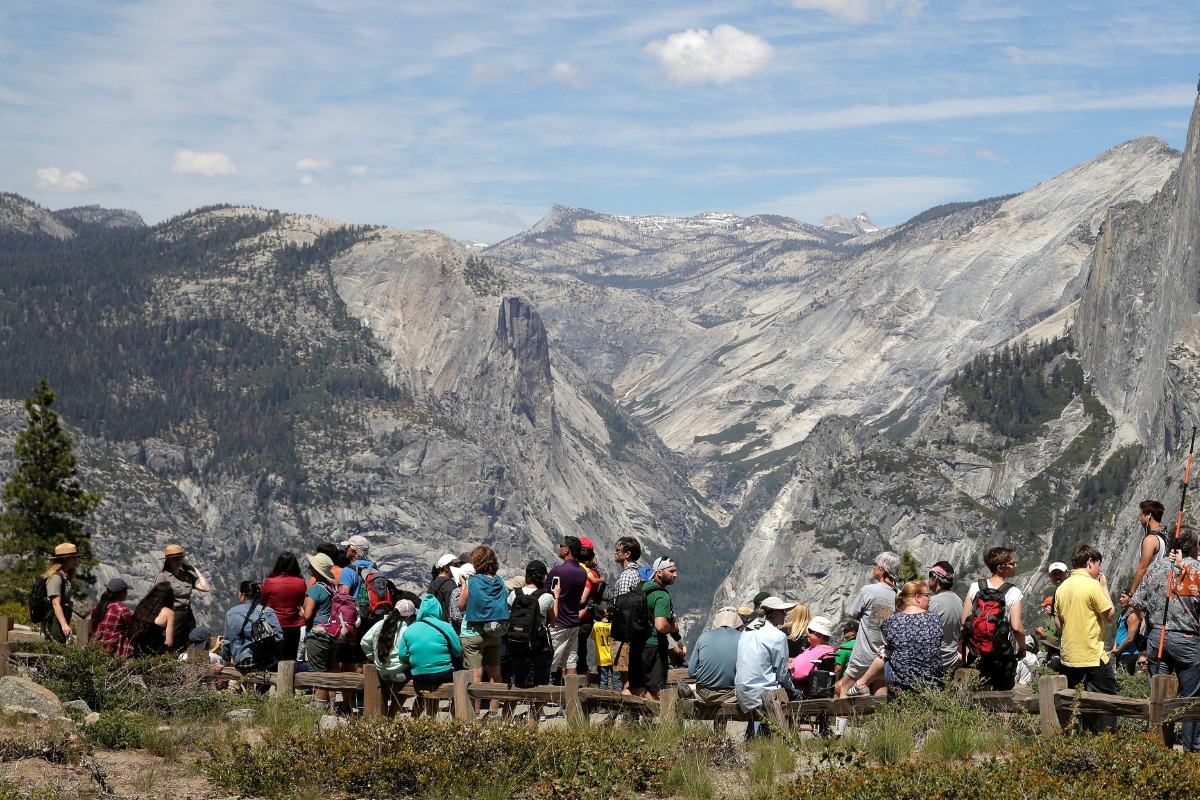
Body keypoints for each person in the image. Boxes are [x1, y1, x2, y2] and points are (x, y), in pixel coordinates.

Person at [1132, 528, 1200, 750]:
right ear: (1192, 546)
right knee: (1192, 697)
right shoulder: (1196, 568)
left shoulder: (1155, 567)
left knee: (1159, 695)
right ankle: (1192, 749)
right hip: (1187, 638)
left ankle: (1159, 748)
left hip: (1157, 637)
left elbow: (1137, 603)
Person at [1055, 543, 1117, 733]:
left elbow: (1059, 622)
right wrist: (1104, 587)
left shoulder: (1062, 588)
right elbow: (1109, 616)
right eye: (1098, 564)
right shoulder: (1092, 585)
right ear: (1090, 562)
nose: (1099, 569)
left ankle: (1076, 737)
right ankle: (1107, 742)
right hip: (1092, 654)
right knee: (1108, 700)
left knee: (1075, 702)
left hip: (1070, 655)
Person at [847, 580, 943, 695]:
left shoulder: (892, 621)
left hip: (903, 684)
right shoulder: (935, 619)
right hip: (933, 683)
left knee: (884, 653)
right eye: (927, 595)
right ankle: (862, 684)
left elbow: (894, 644)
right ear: (917, 597)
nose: (929, 599)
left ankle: (861, 683)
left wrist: (887, 647)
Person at [960, 546, 1026, 691]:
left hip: (976, 654)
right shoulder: (1013, 592)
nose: (1016, 565)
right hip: (1001, 656)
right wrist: (1022, 647)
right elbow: (1016, 627)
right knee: (1003, 700)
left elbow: (965, 622)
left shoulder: (975, 587)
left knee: (977, 696)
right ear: (1000, 568)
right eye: (1012, 563)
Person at [837, 551, 901, 698]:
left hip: (863, 653)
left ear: (883, 569)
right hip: (884, 655)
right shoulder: (900, 594)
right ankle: (878, 721)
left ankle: (841, 722)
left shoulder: (868, 590)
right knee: (880, 691)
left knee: (845, 687)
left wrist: (868, 618)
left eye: (876, 565)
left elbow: (853, 614)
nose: (873, 567)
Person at [735, 596, 802, 734]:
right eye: (782, 611)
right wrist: (792, 687)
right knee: (797, 696)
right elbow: (782, 674)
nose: (785, 614)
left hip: (742, 691)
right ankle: (788, 738)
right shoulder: (777, 636)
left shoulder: (747, 631)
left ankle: (754, 734)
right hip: (763, 693)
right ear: (772, 613)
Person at [458, 545, 509, 715]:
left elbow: (461, 605)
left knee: (475, 675)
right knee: (495, 674)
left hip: (473, 632)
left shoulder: (472, 582)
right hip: (494, 631)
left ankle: (475, 711)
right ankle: (494, 711)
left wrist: (465, 585)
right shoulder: (500, 581)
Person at [398, 594, 464, 719]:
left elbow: (402, 655)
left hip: (419, 675)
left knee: (424, 692)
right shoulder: (445, 626)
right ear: (438, 609)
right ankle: (458, 720)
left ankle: (418, 720)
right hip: (443, 673)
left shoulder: (410, 629)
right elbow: (457, 651)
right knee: (458, 683)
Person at [361, 598, 418, 717]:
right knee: (409, 688)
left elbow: (364, 642)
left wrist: (374, 657)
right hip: (401, 673)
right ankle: (392, 716)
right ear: (410, 616)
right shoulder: (408, 629)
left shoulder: (381, 623)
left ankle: (385, 717)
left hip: (382, 671)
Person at [633, 556, 678, 700]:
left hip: (637, 644)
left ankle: (618, 715)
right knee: (654, 690)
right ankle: (649, 722)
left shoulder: (642, 587)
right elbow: (660, 625)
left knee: (634, 688)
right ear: (659, 572)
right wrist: (672, 627)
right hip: (654, 647)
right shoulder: (661, 595)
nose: (675, 575)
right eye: (671, 571)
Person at [545, 536, 588, 680]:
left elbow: (546, 593)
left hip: (557, 623)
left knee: (549, 661)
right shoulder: (582, 572)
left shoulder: (558, 571)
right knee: (571, 663)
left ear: (567, 549)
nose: (560, 548)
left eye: (561, 545)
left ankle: (543, 698)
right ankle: (571, 699)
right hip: (574, 621)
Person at [302, 552, 339, 711]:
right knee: (330, 672)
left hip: (317, 635)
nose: (309, 567)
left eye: (312, 566)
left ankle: (319, 712)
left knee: (319, 675)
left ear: (316, 570)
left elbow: (308, 615)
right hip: (332, 635)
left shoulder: (315, 589)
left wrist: (301, 612)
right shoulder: (332, 588)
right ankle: (332, 708)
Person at [154, 544, 210, 647]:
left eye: (181, 558)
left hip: (188, 613)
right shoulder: (164, 576)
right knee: (173, 641)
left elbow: (206, 588)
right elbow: (157, 598)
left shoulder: (186, 576)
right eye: (175, 559)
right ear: (168, 560)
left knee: (189, 640)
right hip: (174, 613)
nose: (179, 561)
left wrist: (195, 570)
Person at [222, 580, 284, 672]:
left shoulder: (230, 613)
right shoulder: (267, 612)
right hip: (265, 662)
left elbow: (226, 643)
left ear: (243, 595)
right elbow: (279, 638)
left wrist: (226, 662)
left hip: (241, 664)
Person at [688, 607, 743, 705]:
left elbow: (691, 672)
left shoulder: (703, 637)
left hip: (704, 694)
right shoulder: (743, 638)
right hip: (730, 694)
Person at [610, 536, 643, 695]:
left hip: (624, 635)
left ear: (627, 554)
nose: (615, 552)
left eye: (618, 550)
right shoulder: (640, 573)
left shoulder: (626, 576)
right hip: (636, 632)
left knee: (626, 678)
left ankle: (629, 715)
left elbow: (622, 609)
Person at [261, 551, 307, 663]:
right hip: (293, 625)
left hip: (273, 624)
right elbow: (300, 602)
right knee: (290, 658)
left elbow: (262, 601)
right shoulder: (301, 582)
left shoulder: (270, 582)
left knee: (271, 657)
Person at [926, 561, 962, 675]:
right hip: (953, 661)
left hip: (935, 662)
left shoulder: (933, 603)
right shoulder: (959, 601)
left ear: (935, 579)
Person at [789, 615, 838, 698]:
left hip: (800, 691)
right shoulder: (813, 648)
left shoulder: (822, 652)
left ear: (821, 635)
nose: (807, 633)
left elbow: (798, 673)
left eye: (811, 631)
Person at [41, 543, 79, 643]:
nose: (76, 560)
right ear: (65, 559)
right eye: (73, 557)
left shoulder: (66, 577)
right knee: (56, 649)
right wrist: (64, 624)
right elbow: (55, 603)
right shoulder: (56, 578)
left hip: (61, 618)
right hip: (54, 620)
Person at [1130, 500, 1168, 597]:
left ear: (1149, 515)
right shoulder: (1164, 536)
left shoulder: (1150, 539)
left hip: (1151, 588)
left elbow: (1143, 568)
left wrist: (1132, 592)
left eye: (1141, 515)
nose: (1140, 519)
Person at [90, 577, 134, 657]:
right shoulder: (122, 610)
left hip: (95, 648)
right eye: (126, 591)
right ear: (121, 593)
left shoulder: (96, 607)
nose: (127, 593)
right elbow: (132, 628)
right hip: (114, 650)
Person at [128, 583, 176, 656]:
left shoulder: (142, 606)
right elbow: (169, 642)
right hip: (154, 653)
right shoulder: (168, 613)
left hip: (136, 651)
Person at [1034, 561, 1070, 648]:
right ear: (1050, 576)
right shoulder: (1058, 593)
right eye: (1054, 574)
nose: (1057, 576)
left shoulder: (1070, 590)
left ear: (1067, 573)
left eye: (1060, 573)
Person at [1111, 587, 1140, 674]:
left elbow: (1130, 638)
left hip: (1129, 654)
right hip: (1121, 653)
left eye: (1123, 597)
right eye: (1120, 597)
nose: (1120, 599)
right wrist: (1115, 648)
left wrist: (1118, 650)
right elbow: (1119, 631)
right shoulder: (1122, 614)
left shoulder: (1133, 616)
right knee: (1120, 681)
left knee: (1126, 681)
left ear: (1130, 599)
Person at [591, 605, 618, 691]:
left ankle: (601, 702)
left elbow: (594, 638)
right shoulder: (614, 626)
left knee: (602, 682)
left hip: (601, 658)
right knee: (617, 682)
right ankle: (618, 702)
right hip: (614, 657)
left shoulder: (596, 626)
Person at [428, 553, 460, 621]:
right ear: (446, 568)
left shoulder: (433, 582)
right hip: (446, 622)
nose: (458, 567)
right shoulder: (449, 584)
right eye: (455, 565)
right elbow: (452, 608)